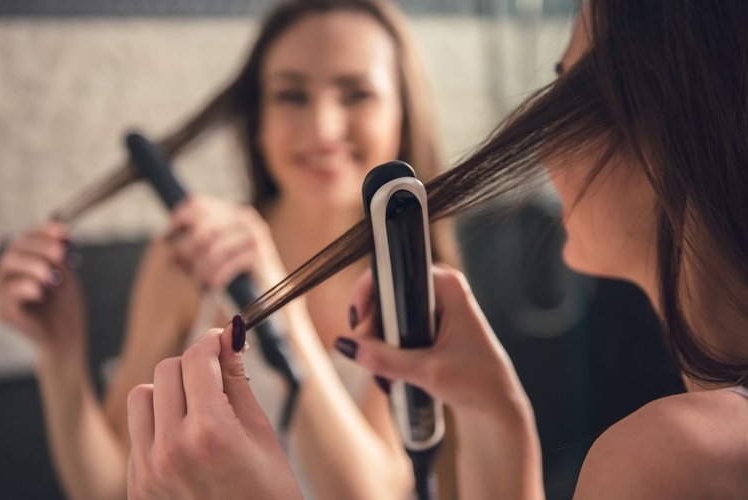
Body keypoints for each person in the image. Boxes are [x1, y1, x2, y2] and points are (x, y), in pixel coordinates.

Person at [127, 0, 748, 498]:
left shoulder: (675, 459)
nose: (540, 146)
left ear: (671, 125)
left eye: (566, 98)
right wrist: (500, 415)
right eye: (292, 94)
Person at [0, 0, 460, 499]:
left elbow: (376, 494)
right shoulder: (187, 261)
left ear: (403, 116)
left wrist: (278, 305)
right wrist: (60, 355)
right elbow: (111, 489)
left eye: (357, 94)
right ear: (257, 121)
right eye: (291, 95)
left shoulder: (413, 280)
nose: (323, 128)